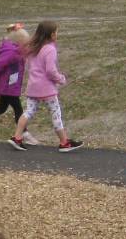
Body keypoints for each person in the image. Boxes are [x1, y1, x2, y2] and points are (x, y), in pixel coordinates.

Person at [9, 21, 83, 152]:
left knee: (28, 112)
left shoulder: (33, 47)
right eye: (56, 32)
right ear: (52, 34)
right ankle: (64, 142)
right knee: (56, 114)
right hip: (47, 89)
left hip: (33, 87)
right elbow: (50, 71)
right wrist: (61, 78)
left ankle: (17, 137)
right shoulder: (50, 49)